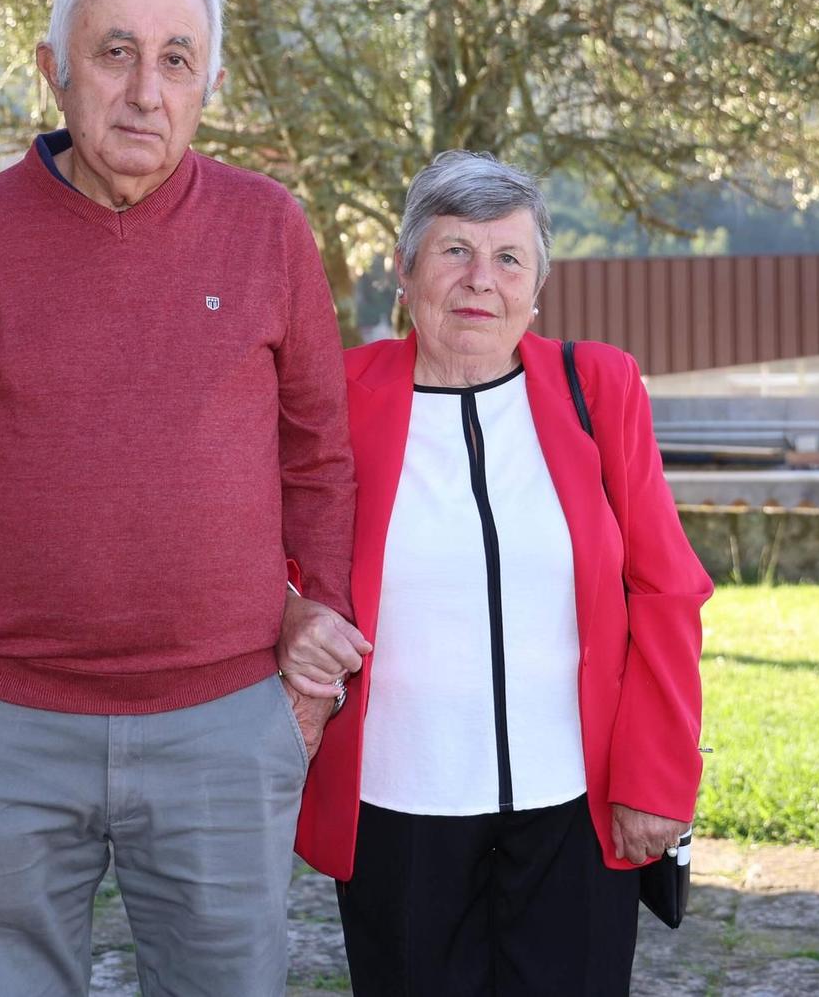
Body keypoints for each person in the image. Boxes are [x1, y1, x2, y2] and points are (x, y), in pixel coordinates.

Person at [0, 0, 368, 996]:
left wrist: (305, 686)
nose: (144, 91)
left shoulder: (267, 227)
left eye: (176, 60)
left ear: (210, 85)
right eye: (114, 52)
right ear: (54, 68)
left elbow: (318, 459)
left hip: (225, 726)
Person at [290, 151, 713, 996]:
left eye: (509, 257)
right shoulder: (335, 396)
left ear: (537, 285)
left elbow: (666, 588)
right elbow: (268, 551)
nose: (481, 279)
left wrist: (657, 776)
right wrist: (289, 611)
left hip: (575, 806)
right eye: (454, 250)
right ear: (405, 270)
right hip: (398, 806)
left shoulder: (599, 386)